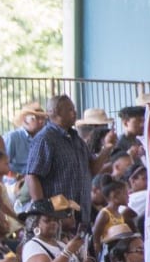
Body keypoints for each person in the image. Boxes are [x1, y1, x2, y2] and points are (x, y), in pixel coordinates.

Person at [25, 95, 105, 224]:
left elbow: (92, 169)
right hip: (58, 217)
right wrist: (44, 212)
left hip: (81, 214)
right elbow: (32, 176)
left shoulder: (76, 140)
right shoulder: (45, 139)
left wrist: (107, 149)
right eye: (70, 109)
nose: (75, 113)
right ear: (55, 112)